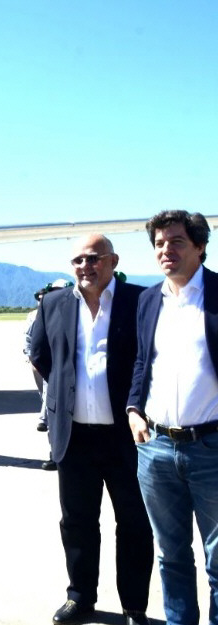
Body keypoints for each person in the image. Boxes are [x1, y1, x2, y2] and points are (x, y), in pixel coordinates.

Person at [29, 234, 153, 625]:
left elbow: (151, 359)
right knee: (77, 522)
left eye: (94, 258)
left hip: (126, 437)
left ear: (113, 261)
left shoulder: (140, 300)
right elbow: (40, 354)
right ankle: (80, 596)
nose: (86, 266)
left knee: (133, 523)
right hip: (74, 436)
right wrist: (69, 393)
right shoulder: (54, 303)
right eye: (79, 260)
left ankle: (134, 606)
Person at [127, 210, 218, 625]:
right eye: (159, 244)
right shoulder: (149, 300)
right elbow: (142, 362)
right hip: (157, 449)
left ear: (199, 246)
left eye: (177, 241)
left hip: (211, 448)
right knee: (171, 555)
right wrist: (133, 409)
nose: (166, 250)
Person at [25, 279, 72, 471]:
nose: (54, 294)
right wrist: (51, 374)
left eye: (58, 290)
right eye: (52, 291)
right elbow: (34, 343)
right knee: (54, 413)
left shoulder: (78, 312)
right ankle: (55, 454)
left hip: (70, 374)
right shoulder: (43, 312)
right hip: (53, 372)